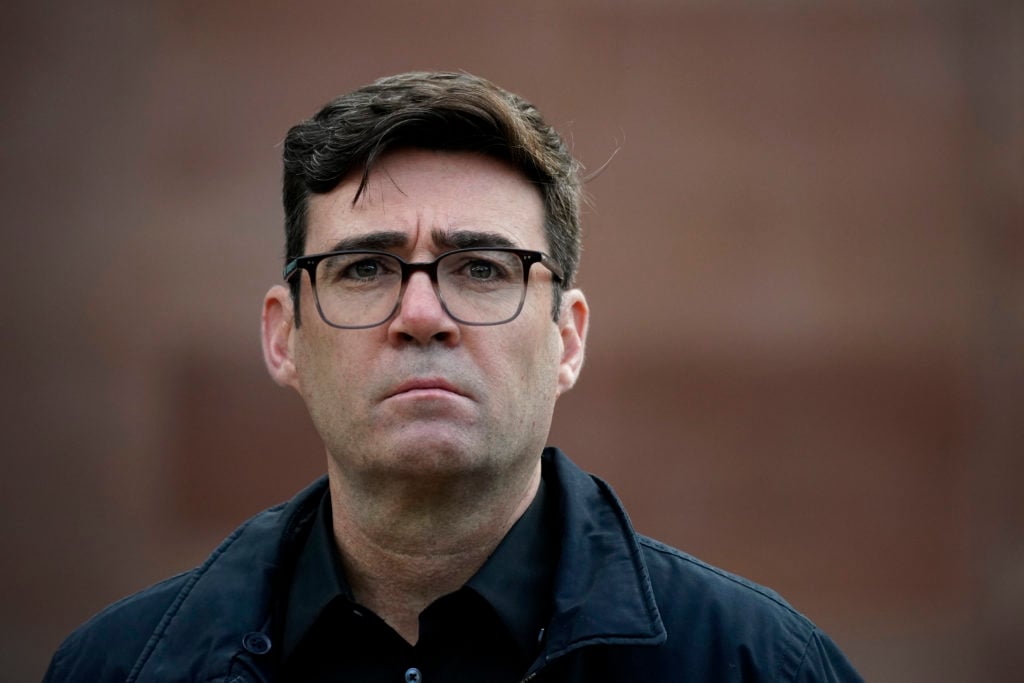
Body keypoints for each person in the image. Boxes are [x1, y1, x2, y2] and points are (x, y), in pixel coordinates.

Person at [44, 71, 862, 682]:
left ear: (566, 338)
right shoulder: (114, 669)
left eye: (481, 267)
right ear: (285, 334)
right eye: (365, 267)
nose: (422, 313)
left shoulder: (759, 665)